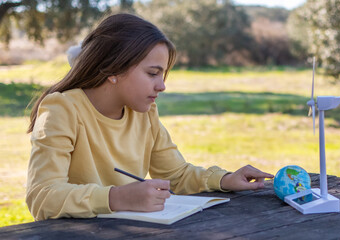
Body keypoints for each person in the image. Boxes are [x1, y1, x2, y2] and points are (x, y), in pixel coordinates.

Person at [26, 13, 274, 221]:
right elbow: (42, 197)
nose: (162, 86)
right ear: (114, 69)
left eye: (163, 74)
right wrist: (117, 197)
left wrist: (226, 179)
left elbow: (176, 175)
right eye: (153, 73)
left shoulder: (144, 113)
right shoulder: (62, 109)